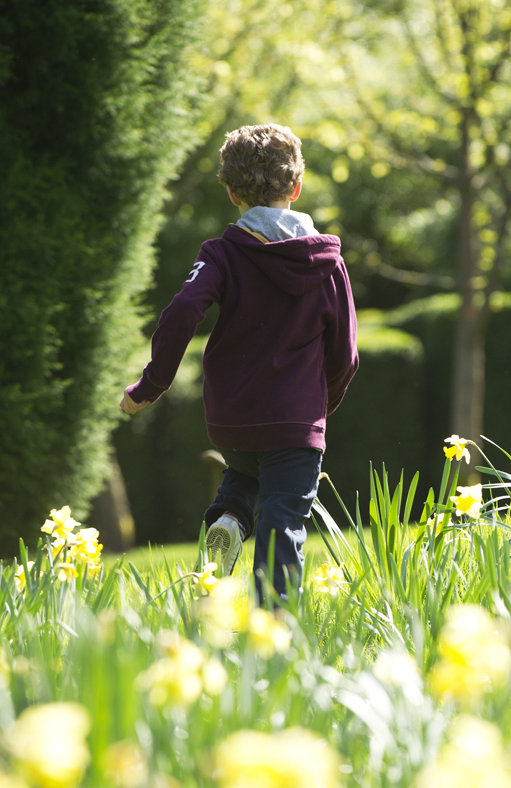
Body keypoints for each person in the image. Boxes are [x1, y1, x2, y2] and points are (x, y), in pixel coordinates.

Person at [120, 124, 358, 600]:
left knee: (246, 472)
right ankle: (273, 628)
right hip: (294, 421)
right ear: (296, 187)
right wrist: (317, 406)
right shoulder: (327, 263)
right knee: (284, 519)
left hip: (234, 419)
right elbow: (345, 353)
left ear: (231, 193)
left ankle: (228, 518)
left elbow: (184, 309)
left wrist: (150, 385)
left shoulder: (222, 254)